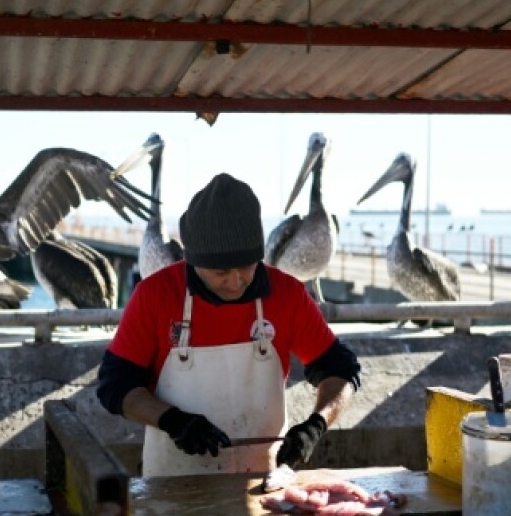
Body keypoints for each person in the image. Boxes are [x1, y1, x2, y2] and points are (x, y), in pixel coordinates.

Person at [96, 173, 361, 477]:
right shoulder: (154, 295)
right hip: (173, 483)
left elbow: (341, 371)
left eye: (247, 266)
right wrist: (173, 421)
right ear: (194, 261)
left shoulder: (287, 294)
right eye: (221, 271)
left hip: (263, 481)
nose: (236, 283)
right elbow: (116, 386)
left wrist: (316, 424)